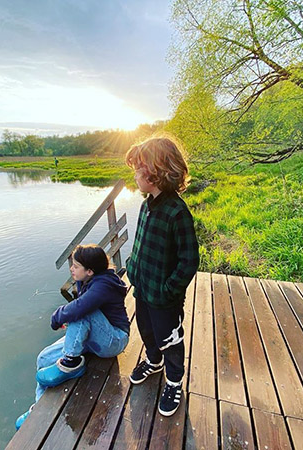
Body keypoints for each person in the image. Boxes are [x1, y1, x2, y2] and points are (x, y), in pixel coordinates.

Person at [15, 244, 130, 430]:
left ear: (90, 271)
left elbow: (80, 308)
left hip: (114, 340)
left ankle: (71, 363)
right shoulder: (85, 280)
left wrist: (57, 317)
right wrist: (70, 322)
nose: (71, 269)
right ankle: (38, 407)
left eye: (76, 266)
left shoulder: (104, 285)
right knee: (43, 358)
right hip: (96, 337)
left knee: (80, 311)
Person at [125, 135, 199, 417]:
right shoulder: (146, 205)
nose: (134, 174)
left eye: (138, 169)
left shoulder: (177, 211)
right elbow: (140, 243)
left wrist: (170, 290)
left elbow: (189, 259)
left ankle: (174, 380)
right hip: (143, 290)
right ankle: (153, 361)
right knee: (146, 329)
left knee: (170, 337)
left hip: (164, 297)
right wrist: (132, 267)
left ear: (156, 173)